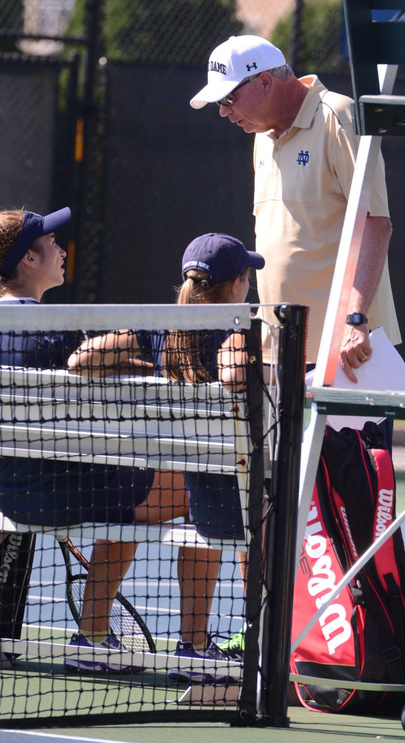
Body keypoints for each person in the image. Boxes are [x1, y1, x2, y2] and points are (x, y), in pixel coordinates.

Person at [0, 201, 199, 676]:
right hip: (64, 491)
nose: (62, 251)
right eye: (52, 244)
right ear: (29, 258)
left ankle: (95, 636)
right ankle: (192, 649)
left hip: (11, 494)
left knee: (132, 488)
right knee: (199, 492)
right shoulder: (54, 330)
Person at [68, 231, 265, 674]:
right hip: (192, 490)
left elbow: (80, 360)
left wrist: (143, 366)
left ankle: (91, 635)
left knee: (188, 502)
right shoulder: (235, 334)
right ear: (236, 286)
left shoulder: (156, 327)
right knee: (214, 506)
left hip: (133, 487)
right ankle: (196, 646)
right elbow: (234, 378)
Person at [189, 34, 400, 382]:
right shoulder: (260, 136)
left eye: (228, 98)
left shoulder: (338, 116)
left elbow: (376, 224)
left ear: (266, 82)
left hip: (349, 354)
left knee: (359, 440)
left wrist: (356, 319)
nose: (224, 112)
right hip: (284, 353)